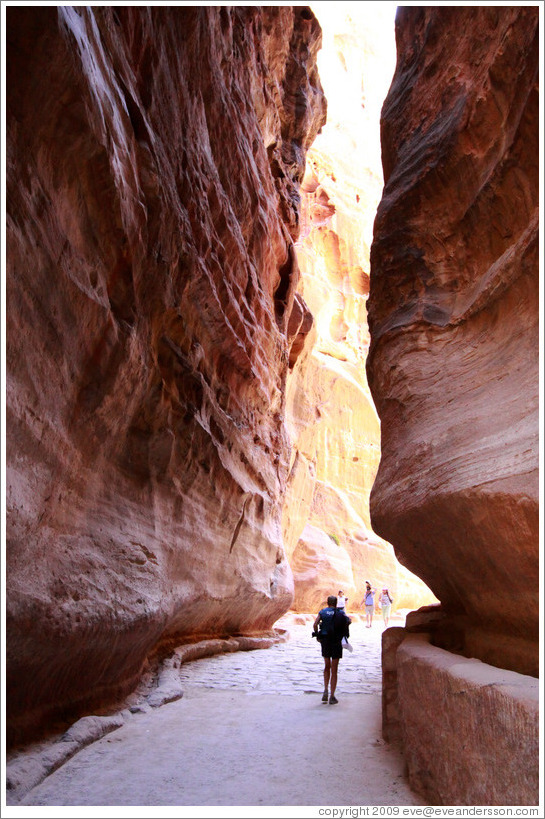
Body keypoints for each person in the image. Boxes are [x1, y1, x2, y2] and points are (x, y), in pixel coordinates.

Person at [313, 595, 351, 704]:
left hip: (325, 640)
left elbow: (315, 624)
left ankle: (325, 690)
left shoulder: (323, 612)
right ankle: (332, 695)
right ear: (336, 603)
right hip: (336, 641)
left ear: (327, 602)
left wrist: (317, 635)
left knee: (326, 666)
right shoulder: (341, 613)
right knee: (334, 668)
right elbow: (348, 621)